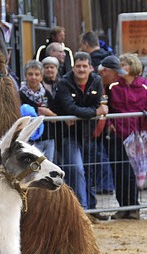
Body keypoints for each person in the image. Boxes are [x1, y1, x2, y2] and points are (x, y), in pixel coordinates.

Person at [52, 51, 108, 210]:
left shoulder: (96, 80)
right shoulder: (64, 83)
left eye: (85, 66)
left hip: (88, 134)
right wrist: (94, 112)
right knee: (76, 169)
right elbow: (70, 107)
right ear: (73, 67)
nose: (81, 69)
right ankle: (81, 208)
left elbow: (98, 104)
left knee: (89, 171)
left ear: (91, 67)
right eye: (78, 66)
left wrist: (83, 113)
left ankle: (90, 206)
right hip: (69, 133)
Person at [106, 52, 147, 219]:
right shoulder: (113, 85)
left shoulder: (144, 85)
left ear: (132, 66)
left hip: (137, 137)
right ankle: (123, 206)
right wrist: (109, 124)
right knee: (120, 171)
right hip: (118, 135)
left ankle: (134, 207)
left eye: (124, 64)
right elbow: (106, 107)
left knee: (135, 172)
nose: (120, 68)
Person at [19, 60, 57, 163]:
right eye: (30, 74)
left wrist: (48, 113)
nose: (33, 77)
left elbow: (55, 117)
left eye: (37, 74)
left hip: (48, 138)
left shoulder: (47, 94)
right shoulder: (19, 95)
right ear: (25, 76)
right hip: (28, 139)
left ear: (41, 77)